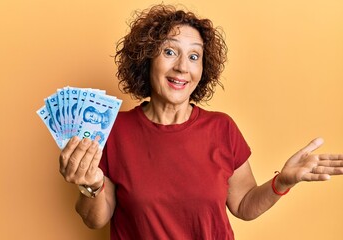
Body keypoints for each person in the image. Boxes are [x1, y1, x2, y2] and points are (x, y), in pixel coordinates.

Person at [58, 4, 343, 239]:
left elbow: (243, 205)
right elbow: (95, 220)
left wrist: (283, 182)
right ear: (147, 58)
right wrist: (91, 186)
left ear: (202, 69)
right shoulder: (113, 129)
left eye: (194, 56)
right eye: (170, 52)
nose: (182, 66)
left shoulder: (223, 128)